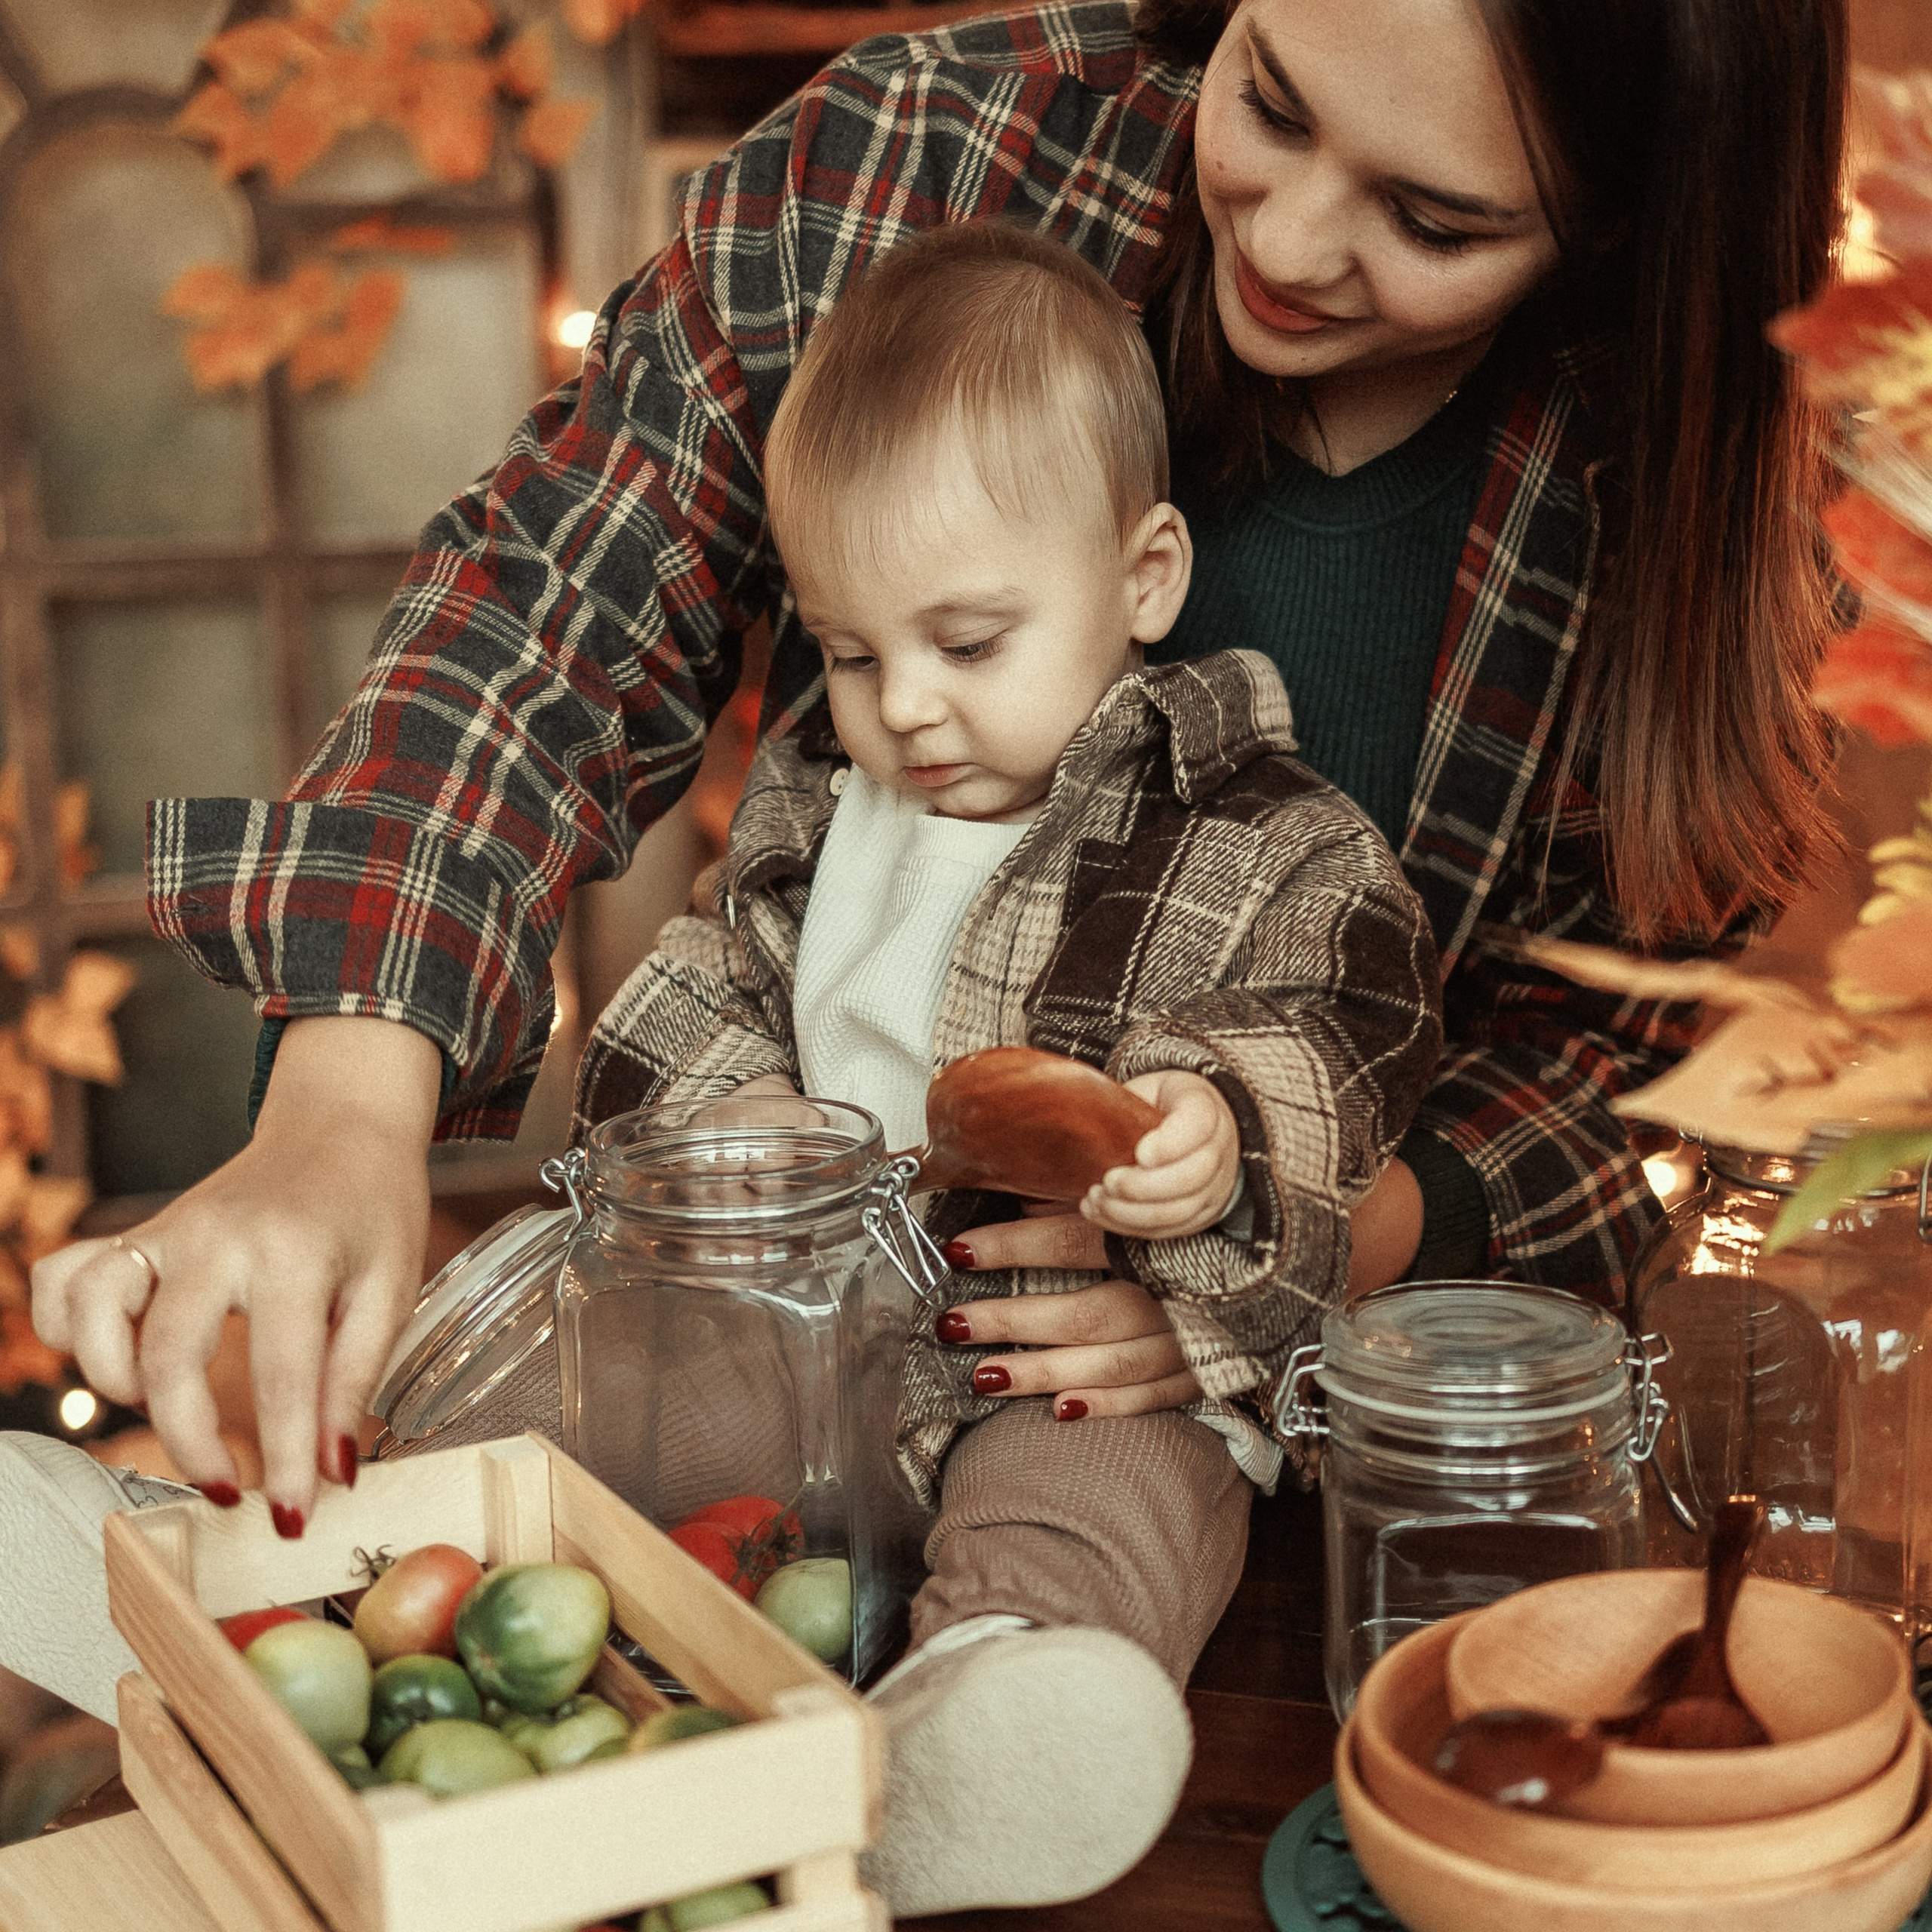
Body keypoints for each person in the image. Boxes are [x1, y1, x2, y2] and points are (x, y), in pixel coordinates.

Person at [24, 0, 1846, 1906]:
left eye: (1437, 217)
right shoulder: (920, 166)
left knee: (1106, 1496)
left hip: (1132, 1368)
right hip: (784, 1292)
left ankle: (988, 1719)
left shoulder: (1643, 518)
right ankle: (231, 1567)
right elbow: (554, 615)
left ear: (1627, 225)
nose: (1295, 242)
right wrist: (365, 1096)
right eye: (1271, 102)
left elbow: (1602, 1060)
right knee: (566, 1388)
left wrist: (1262, 1244)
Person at [559, 220, 1439, 1909]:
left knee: (1102, 1502)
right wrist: (717, 1113)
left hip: (1087, 1349)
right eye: (848, 649)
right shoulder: (822, 809)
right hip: (809, 1319)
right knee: (620, 1417)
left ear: (1142, 578)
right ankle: (307, 1560)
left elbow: (1354, 1026)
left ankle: (973, 1734)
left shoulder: (1252, 828)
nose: (904, 709)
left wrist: (1216, 1132)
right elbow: (698, 981)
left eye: (965, 642)